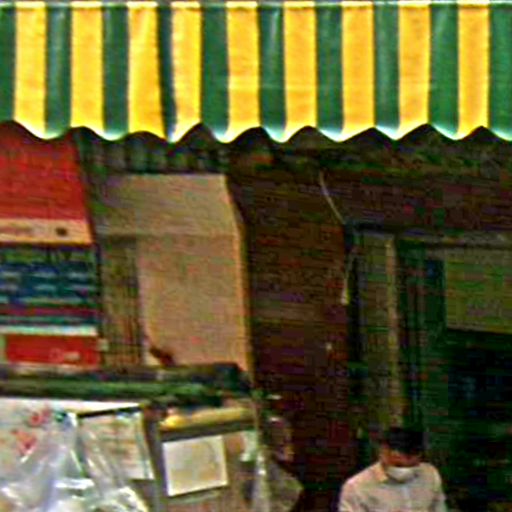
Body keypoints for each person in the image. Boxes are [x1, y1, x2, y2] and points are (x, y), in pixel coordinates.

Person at [338, 427, 447, 512]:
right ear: (383, 453)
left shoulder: (429, 475)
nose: (405, 470)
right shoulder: (357, 487)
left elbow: (439, 508)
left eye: (412, 466)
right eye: (398, 465)